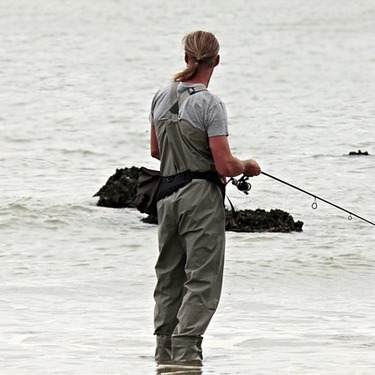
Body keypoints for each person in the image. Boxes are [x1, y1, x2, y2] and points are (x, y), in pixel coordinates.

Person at [149, 30, 261, 366]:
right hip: (199, 198)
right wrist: (249, 166)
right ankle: (185, 354)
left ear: (186, 57)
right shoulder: (209, 104)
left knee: (169, 277)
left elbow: (156, 151)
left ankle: (163, 354)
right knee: (202, 278)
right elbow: (225, 164)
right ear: (216, 61)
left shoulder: (160, 95)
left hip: (166, 197)